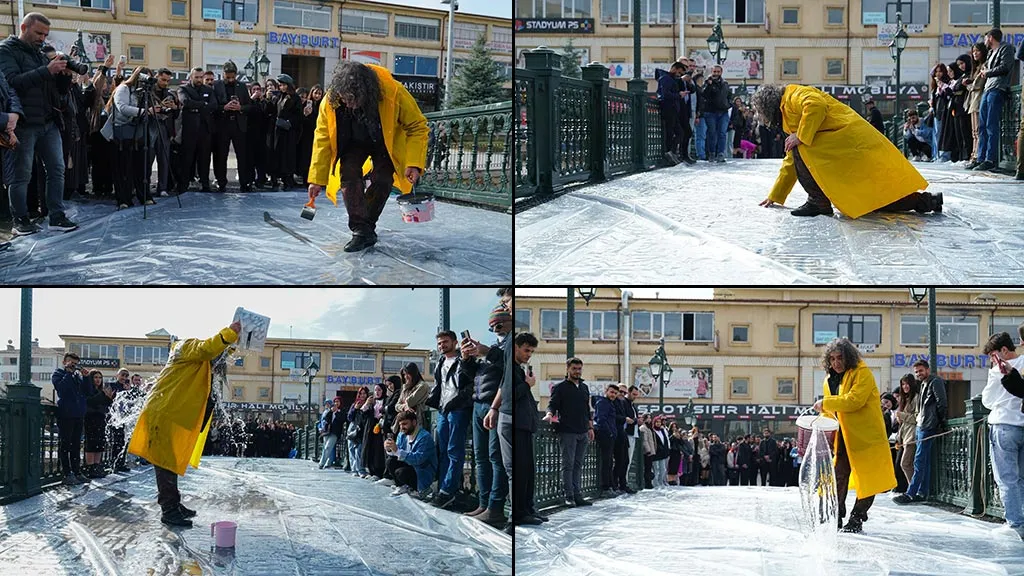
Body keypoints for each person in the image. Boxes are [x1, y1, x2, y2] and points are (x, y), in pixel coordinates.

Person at [751, 84, 943, 218]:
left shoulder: (793, 95)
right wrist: (775, 194)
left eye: (761, 112)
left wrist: (800, 136)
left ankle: (818, 202)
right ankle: (926, 201)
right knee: (873, 198)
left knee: (870, 196)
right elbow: (792, 159)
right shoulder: (788, 109)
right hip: (849, 146)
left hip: (849, 143)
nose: (762, 117)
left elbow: (816, 105)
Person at [128, 320, 240, 528]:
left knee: (172, 461)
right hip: (164, 412)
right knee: (164, 463)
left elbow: (213, 354)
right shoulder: (187, 345)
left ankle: (174, 503)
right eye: (220, 357)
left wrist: (233, 343)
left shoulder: (201, 363)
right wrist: (230, 333)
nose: (219, 363)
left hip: (173, 414)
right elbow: (207, 348)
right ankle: (169, 510)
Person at [307, 60, 429, 252]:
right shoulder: (331, 101)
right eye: (344, 98)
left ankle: (366, 227)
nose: (347, 103)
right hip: (352, 143)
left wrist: (414, 163)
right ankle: (360, 230)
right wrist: (316, 179)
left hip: (384, 142)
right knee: (348, 176)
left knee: (382, 180)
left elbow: (417, 126)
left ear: (365, 92)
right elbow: (322, 138)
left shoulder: (393, 91)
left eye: (351, 99)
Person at [0, 12, 78, 235]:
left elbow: (54, 90)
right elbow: (11, 83)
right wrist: (46, 70)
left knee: (57, 169)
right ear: (23, 27)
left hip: (47, 121)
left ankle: (56, 216)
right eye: (38, 33)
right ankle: (20, 220)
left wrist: (64, 75)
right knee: (21, 174)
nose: (42, 38)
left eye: (45, 34)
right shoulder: (5, 50)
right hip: (23, 123)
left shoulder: (39, 54)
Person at [812, 337, 897, 533]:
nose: (836, 363)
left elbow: (854, 401)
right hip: (844, 437)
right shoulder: (828, 379)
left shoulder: (863, 373)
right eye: (832, 359)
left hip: (867, 437)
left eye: (839, 358)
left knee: (869, 479)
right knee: (838, 475)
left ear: (848, 357)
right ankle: (836, 515)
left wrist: (825, 403)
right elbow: (831, 410)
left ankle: (857, 518)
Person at [462, 303, 511, 521]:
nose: (495, 328)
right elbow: (473, 374)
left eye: (499, 324)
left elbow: (509, 366)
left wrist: (486, 352)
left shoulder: (510, 344)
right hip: (479, 405)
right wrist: (467, 359)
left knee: (494, 457)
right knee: (480, 457)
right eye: (492, 325)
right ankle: (484, 504)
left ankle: (495, 507)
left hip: (494, 405)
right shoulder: (494, 348)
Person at [982, 331, 1024, 540]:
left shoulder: (998, 370)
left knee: (1007, 479)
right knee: (1022, 478)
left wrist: (995, 372)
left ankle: (1016, 524)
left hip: (1004, 424)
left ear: (1003, 351)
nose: (991, 360)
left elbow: (987, 401)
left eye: (992, 355)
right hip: (1023, 425)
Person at [426, 330, 473, 510]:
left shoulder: (464, 361)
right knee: (443, 450)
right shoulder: (440, 362)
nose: (442, 345)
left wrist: (456, 402)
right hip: (444, 409)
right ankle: (444, 489)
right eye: (439, 343)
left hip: (458, 409)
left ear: (454, 342)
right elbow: (440, 385)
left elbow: (469, 387)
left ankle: (449, 490)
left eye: (445, 342)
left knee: (454, 450)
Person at [893, 359, 947, 505]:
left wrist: (942, 423)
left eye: (921, 371)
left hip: (928, 425)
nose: (918, 374)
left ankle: (911, 493)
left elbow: (941, 403)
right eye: (916, 372)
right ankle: (922, 492)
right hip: (922, 425)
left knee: (919, 460)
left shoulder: (935, 381)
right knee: (924, 461)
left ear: (928, 369)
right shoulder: (923, 384)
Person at [547, 357, 594, 506]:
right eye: (574, 368)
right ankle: (569, 496)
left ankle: (577, 495)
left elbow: (587, 409)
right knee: (568, 464)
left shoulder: (584, 387)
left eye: (579, 369)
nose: (577, 371)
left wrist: (590, 427)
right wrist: (549, 414)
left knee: (578, 464)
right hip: (567, 430)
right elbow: (552, 404)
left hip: (582, 431)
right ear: (567, 369)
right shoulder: (560, 387)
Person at [109, 66, 158, 209]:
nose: (146, 82)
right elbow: (122, 107)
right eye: (144, 78)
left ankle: (144, 196)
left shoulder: (145, 92)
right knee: (124, 168)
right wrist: (144, 111)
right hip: (122, 133)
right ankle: (123, 199)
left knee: (141, 166)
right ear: (137, 76)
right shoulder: (124, 88)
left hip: (139, 133)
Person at [508, 332, 540, 535]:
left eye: (531, 351)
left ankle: (527, 508)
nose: (529, 354)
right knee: (519, 470)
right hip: (517, 425)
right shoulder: (510, 369)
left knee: (528, 469)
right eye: (526, 350)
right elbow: (509, 394)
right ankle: (519, 511)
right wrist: (526, 385)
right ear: (517, 347)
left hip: (526, 425)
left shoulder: (519, 370)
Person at [972, 28, 1014, 172]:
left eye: (985, 39)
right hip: (988, 89)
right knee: (982, 126)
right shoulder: (991, 53)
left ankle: (991, 159)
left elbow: (1005, 67)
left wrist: (987, 72)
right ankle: (980, 158)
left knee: (991, 125)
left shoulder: (1006, 48)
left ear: (990, 38)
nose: (984, 42)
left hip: (998, 88)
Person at [212, 60, 252, 192]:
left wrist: (240, 107)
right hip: (222, 125)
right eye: (228, 77)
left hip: (238, 125)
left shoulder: (241, 86)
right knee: (221, 155)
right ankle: (221, 182)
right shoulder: (216, 86)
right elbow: (212, 106)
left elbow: (250, 106)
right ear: (223, 74)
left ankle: (244, 182)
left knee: (242, 155)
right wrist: (224, 107)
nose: (230, 79)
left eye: (233, 77)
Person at [51, 352, 91, 485]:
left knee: (75, 445)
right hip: (66, 414)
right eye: (71, 363)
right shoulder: (58, 374)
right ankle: (67, 473)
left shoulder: (78, 377)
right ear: (64, 362)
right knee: (65, 444)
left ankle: (77, 472)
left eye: (75, 364)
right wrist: (68, 373)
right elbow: (61, 389)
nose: (73, 366)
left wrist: (86, 378)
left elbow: (88, 392)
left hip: (78, 415)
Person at [177, 67, 215, 194]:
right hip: (189, 129)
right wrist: (203, 104)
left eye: (200, 77)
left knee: (204, 159)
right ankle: (183, 185)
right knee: (187, 158)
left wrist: (197, 106)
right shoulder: (183, 89)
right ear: (191, 77)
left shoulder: (208, 90)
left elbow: (213, 105)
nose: (199, 79)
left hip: (205, 129)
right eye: (196, 77)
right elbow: (185, 102)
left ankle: (205, 184)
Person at [384, 410, 438, 500]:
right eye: (400, 425)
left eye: (405, 424)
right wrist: (389, 449)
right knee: (390, 461)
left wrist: (396, 450)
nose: (402, 427)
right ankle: (402, 486)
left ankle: (421, 490)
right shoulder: (402, 434)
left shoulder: (425, 437)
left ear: (414, 422)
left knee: (401, 472)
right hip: (410, 466)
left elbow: (418, 459)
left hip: (422, 471)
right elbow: (397, 453)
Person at [267, 74, 301, 191]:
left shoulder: (295, 98)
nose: (281, 87)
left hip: (288, 132)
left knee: (287, 156)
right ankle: (276, 179)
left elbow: (298, 116)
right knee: (276, 154)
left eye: (283, 85)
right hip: (277, 132)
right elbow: (272, 111)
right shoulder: (279, 97)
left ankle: (288, 180)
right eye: (280, 85)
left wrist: (288, 123)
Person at [149, 68, 178, 197]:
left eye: (168, 80)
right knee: (148, 160)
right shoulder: (148, 91)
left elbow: (176, 115)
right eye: (163, 80)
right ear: (157, 76)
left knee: (164, 160)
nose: (165, 83)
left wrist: (174, 108)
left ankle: (162, 188)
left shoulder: (170, 93)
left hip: (165, 129)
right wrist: (159, 105)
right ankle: (145, 187)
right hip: (150, 127)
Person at [893, 374, 920, 489]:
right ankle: (913, 488)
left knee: (905, 463)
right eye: (903, 384)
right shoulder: (906, 399)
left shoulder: (916, 397)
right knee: (907, 463)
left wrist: (901, 415)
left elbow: (917, 417)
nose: (905, 386)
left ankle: (913, 489)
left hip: (912, 436)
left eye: (907, 383)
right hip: (905, 436)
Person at [594, 383, 620, 498]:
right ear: (606, 391)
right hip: (605, 435)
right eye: (611, 392)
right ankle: (606, 487)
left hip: (610, 435)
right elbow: (601, 420)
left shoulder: (609, 403)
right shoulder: (603, 402)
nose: (613, 395)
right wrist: (609, 433)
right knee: (606, 462)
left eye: (615, 393)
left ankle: (610, 486)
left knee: (609, 462)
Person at [656, 62, 685, 165]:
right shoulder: (665, 79)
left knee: (679, 132)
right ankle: (668, 152)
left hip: (672, 109)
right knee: (671, 132)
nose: (679, 75)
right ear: (674, 68)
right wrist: (679, 95)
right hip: (668, 108)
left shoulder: (670, 79)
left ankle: (671, 152)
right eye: (679, 72)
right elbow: (665, 94)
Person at [701, 65, 731, 163]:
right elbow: (703, 94)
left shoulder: (725, 83)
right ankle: (712, 153)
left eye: (718, 72)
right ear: (711, 71)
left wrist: (728, 104)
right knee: (712, 133)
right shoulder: (707, 82)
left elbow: (729, 95)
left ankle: (721, 153)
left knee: (722, 133)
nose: (716, 73)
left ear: (721, 72)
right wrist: (709, 84)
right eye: (714, 71)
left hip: (723, 112)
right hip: (711, 112)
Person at [966, 42, 988, 167]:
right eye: (973, 51)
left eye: (977, 51)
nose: (975, 53)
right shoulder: (976, 67)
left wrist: (968, 85)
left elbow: (978, 85)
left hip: (979, 100)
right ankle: (974, 155)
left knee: (978, 131)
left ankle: (977, 156)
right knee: (974, 131)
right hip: (973, 101)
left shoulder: (984, 66)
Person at [616, 385, 640, 494]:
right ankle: (622, 483)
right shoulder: (623, 403)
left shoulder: (632, 405)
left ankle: (624, 482)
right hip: (626, 434)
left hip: (633, 434)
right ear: (629, 393)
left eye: (636, 395)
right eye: (633, 394)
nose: (635, 396)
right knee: (624, 460)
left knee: (628, 460)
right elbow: (627, 419)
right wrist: (635, 421)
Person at [361, 383, 387, 480]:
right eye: (376, 390)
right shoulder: (372, 401)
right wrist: (367, 404)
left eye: (379, 390)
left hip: (381, 428)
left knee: (379, 450)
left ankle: (379, 472)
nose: (377, 392)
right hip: (371, 427)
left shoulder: (386, 400)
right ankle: (371, 470)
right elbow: (363, 414)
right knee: (370, 448)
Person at [346, 386, 369, 477]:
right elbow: (349, 417)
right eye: (361, 393)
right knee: (351, 449)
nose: (362, 395)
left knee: (359, 449)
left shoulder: (369, 404)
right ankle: (354, 469)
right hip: (353, 428)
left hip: (362, 429)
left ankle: (360, 469)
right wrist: (355, 408)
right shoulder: (355, 404)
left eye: (364, 393)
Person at [318, 396, 343, 469]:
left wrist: (336, 412)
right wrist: (331, 411)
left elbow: (341, 419)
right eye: (335, 402)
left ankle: (321, 463)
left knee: (328, 447)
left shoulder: (341, 411)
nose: (336, 403)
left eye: (338, 402)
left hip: (335, 432)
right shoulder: (329, 411)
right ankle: (328, 462)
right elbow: (325, 419)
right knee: (325, 447)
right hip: (327, 432)